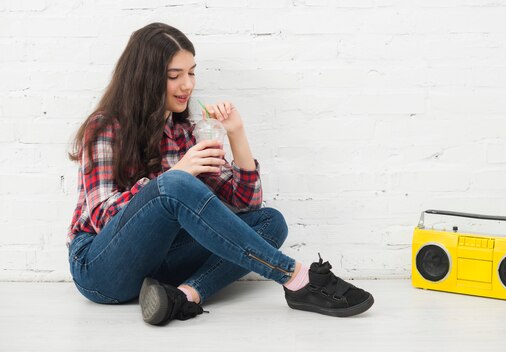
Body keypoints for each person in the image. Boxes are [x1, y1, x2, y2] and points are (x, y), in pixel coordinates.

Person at [66, 22, 374, 325]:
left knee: (270, 223)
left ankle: (183, 296)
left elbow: (246, 203)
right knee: (174, 183)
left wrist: (236, 133)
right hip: (100, 268)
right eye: (175, 76)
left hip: (158, 266)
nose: (188, 85)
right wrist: (176, 175)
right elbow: (102, 217)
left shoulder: (186, 134)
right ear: (145, 78)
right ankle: (297, 277)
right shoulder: (105, 126)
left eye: (191, 72)